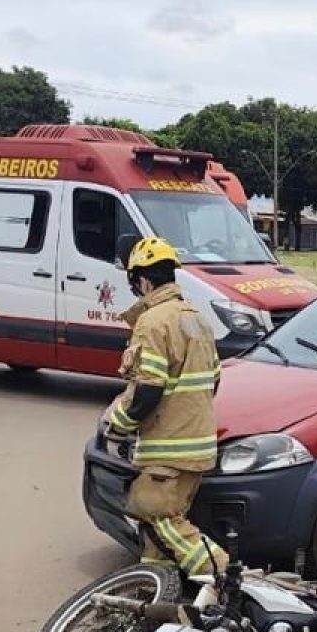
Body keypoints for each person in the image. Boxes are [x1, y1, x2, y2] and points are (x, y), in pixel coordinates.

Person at [102, 236, 225, 576]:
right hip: (196, 445)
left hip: (167, 449)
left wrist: (118, 424)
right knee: (157, 541)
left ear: (142, 280)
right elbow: (214, 381)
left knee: (157, 516)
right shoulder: (197, 318)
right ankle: (153, 592)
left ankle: (226, 578)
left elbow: (148, 391)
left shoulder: (154, 321)